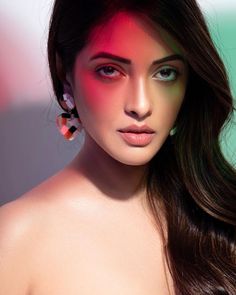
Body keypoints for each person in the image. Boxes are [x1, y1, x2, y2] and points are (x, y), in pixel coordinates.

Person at [0, 0, 235, 294]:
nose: (141, 105)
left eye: (165, 73)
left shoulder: (221, 215)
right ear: (64, 72)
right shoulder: (15, 239)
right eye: (110, 70)